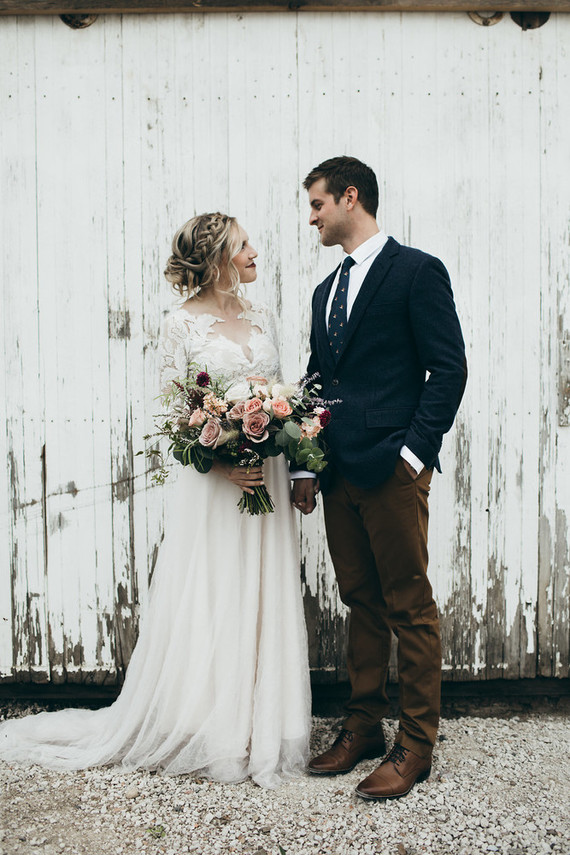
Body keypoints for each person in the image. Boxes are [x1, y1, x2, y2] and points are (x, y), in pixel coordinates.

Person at [0, 212, 311, 789]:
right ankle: (213, 730)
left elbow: (282, 395)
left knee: (263, 589)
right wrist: (221, 462)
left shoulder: (263, 316)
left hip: (263, 475)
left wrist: (278, 435)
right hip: (216, 485)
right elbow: (173, 414)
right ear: (218, 259)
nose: (254, 253)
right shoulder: (179, 325)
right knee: (214, 591)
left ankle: (263, 726)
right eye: (244, 245)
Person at [292, 156, 467, 800]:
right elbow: (318, 381)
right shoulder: (325, 291)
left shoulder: (416, 271)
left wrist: (414, 454)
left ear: (350, 197)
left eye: (317, 204)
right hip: (338, 472)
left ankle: (416, 743)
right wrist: (307, 463)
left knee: (409, 605)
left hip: (393, 468)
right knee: (360, 601)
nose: (312, 218)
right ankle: (363, 726)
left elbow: (448, 369)